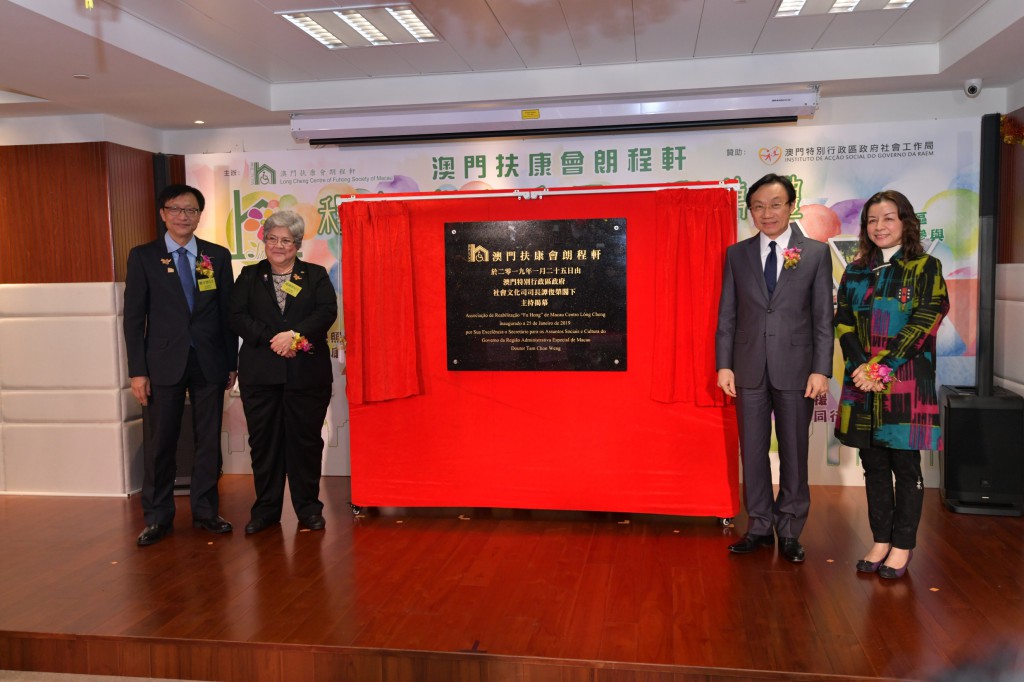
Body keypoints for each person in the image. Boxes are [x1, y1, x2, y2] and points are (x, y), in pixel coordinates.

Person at [715, 173, 833, 563]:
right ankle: (760, 526)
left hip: (798, 369)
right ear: (750, 211)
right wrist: (724, 365)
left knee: (795, 452)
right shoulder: (737, 254)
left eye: (775, 204)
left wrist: (821, 369)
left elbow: (822, 319)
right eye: (759, 206)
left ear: (791, 206)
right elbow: (728, 315)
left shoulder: (815, 253)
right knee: (752, 451)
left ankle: (791, 529)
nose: (767, 213)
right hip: (746, 368)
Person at [834, 190, 948, 579]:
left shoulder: (925, 266)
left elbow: (925, 321)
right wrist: (859, 366)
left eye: (888, 218)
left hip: (905, 384)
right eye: (871, 220)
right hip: (861, 381)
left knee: (905, 463)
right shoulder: (856, 269)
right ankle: (880, 540)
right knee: (874, 465)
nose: (879, 227)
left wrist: (882, 367)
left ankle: (902, 546)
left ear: (905, 222)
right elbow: (844, 320)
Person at [123, 184, 238, 546]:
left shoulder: (216, 256)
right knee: (161, 442)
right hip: (162, 363)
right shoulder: (143, 256)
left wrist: (231, 363)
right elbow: (133, 318)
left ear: (199, 215)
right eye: (175, 209)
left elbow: (226, 315)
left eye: (190, 210)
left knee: (208, 441)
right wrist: (137, 371)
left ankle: (206, 511)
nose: (182, 216)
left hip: (209, 361)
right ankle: (157, 517)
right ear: (163, 214)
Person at [229, 211, 337, 534]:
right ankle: (265, 511)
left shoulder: (315, 275)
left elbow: (326, 312)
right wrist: (270, 338)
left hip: (306, 376)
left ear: (297, 244)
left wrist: (295, 336)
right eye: (272, 238)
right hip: (260, 376)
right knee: (264, 445)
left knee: (305, 444)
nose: (278, 245)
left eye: (286, 240)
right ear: (264, 241)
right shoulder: (249, 277)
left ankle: (308, 509)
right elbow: (235, 315)